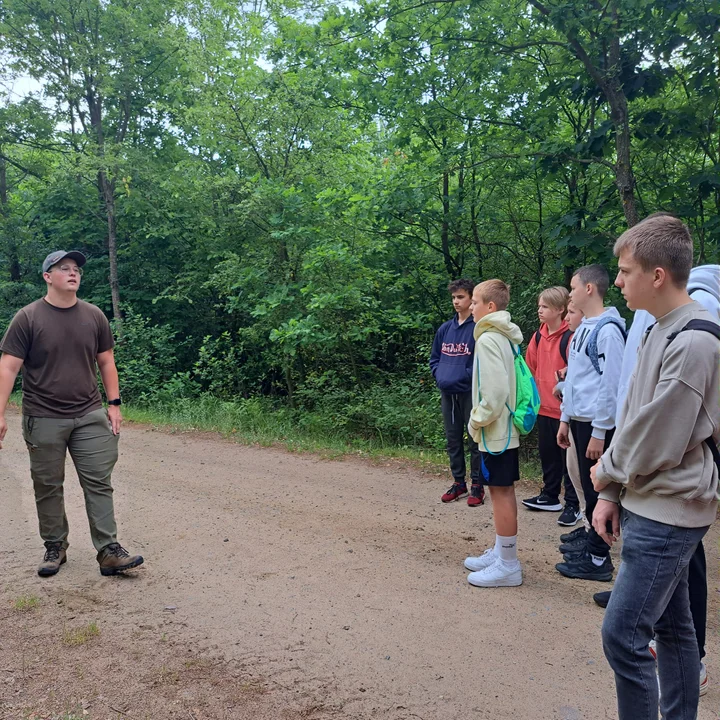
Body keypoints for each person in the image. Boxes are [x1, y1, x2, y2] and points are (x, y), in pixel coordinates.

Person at [592, 215, 720, 720]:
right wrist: (612, 494)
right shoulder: (660, 328)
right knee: (672, 629)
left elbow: (657, 437)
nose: (618, 281)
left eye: (625, 271)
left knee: (623, 636)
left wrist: (606, 473)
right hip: (653, 498)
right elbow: (635, 415)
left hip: (669, 508)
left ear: (658, 275)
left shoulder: (693, 341)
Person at [0, 250, 144, 577]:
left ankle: (108, 550)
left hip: (90, 414)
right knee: (48, 484)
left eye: (76, 269)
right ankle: (55, 546)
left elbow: (106, 361)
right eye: (63, 268)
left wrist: (114, 404)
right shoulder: (28, 317)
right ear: (47, 277)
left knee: (99, 482)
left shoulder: (93, 316)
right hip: (44, 416)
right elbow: (8, 367)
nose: (72, 273)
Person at [554, 265, 625, 582]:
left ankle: (598, 559)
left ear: (589, 289)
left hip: (597, 427)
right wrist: (565, 419)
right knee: (587, 487)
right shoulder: (584, 327)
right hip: (580, 422)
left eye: (572, 288)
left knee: (600, 491)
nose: (569, 294)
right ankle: (591, 543)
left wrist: (599, 434)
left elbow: (611, 388)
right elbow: (576, 380)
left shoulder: (608, 332)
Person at [463, 279, 524, 587]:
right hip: (505, 430)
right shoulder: (505, 336)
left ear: (490, 307)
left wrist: (476, 420)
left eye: (474, 301)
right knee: (502, 491)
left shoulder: (488, 339)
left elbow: (496, 393)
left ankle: (508, 565)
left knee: (499, 493)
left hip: (495, 432)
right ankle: (502, 551)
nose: (470, 307)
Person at [522, 286, 580, 525]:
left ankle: (574, 504)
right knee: (548, 455)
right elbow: (530, 369)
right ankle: (549, 495)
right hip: (543, 408)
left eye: (545, 306)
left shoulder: (571, 336)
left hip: (566, 412)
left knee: (570, 461)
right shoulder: (537, 336)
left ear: (559, 309)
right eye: (539, 306)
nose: (540, 310)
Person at [431, 279, 484, 506]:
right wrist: (440, 375)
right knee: (453, 440)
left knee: (475, 439)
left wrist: (464, 377)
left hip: (469, 392)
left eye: (460, 297)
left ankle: (477, 486)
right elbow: (434, 358)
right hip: (447, 392)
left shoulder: (477, 328)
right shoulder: (445, 329)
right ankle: (459, 483)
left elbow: (480, 362)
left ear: (471, 299)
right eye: (454, 297)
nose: (456, 301)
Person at [553, 301, 589, 545]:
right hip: (573, 417)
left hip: (590, 422)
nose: (566, 318)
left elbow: (604, 386)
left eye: (572, 312)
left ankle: (596, 538)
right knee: (576, 474)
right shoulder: (576, 338)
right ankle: (588, 525)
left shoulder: (604, 334)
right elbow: (577, 381)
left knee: (590, 481)